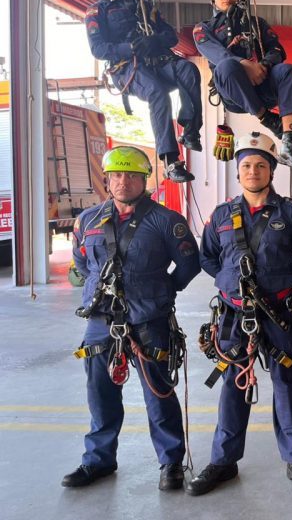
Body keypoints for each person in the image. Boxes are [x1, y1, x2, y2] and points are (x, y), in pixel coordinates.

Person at [187, 131, 292, 496]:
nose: (253, 171)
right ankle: (224, 461)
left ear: (272, 170)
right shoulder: (222, 214)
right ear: (238, 170)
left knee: (286, 384)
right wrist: (231, 285)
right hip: (234, 315)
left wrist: (279, 284)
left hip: (278, 314)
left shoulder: (291, 214)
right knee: (232, 384)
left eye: (261, 165)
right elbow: (208, 258)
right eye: (246, 165)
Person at [63, 145, 200, 490]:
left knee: (159, 393)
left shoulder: (167, 221)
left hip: (148, 320)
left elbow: (188, 265)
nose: (123, 182)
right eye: (117, 175)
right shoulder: (88, 220)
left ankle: (171, 463)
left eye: (131, 176)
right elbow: (82, 264)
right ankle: (98, 461)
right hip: (100, 321)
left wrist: (160, 291)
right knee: (100, 394)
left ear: (144, 180)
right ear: (107, 179)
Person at [86, 0, 201, 182]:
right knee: (157, 93)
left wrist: (154, 40)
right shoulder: (97, 11)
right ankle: (170, 160)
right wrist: (130, 48)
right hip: (127, 67)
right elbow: (98, 49)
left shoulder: (144, 4)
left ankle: (190, 129)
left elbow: (171, 36)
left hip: (159, 62)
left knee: (189, 69)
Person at [194, 0, 292, 171]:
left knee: (289, 71)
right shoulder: (204, 28)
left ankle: (290, 144)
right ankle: (266, 118)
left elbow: (277, 50)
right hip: (234, 92)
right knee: (227, 65)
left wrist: (263, 66)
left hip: (262, 83)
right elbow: (217, 55)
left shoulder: (257, 23)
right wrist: (245, 64)